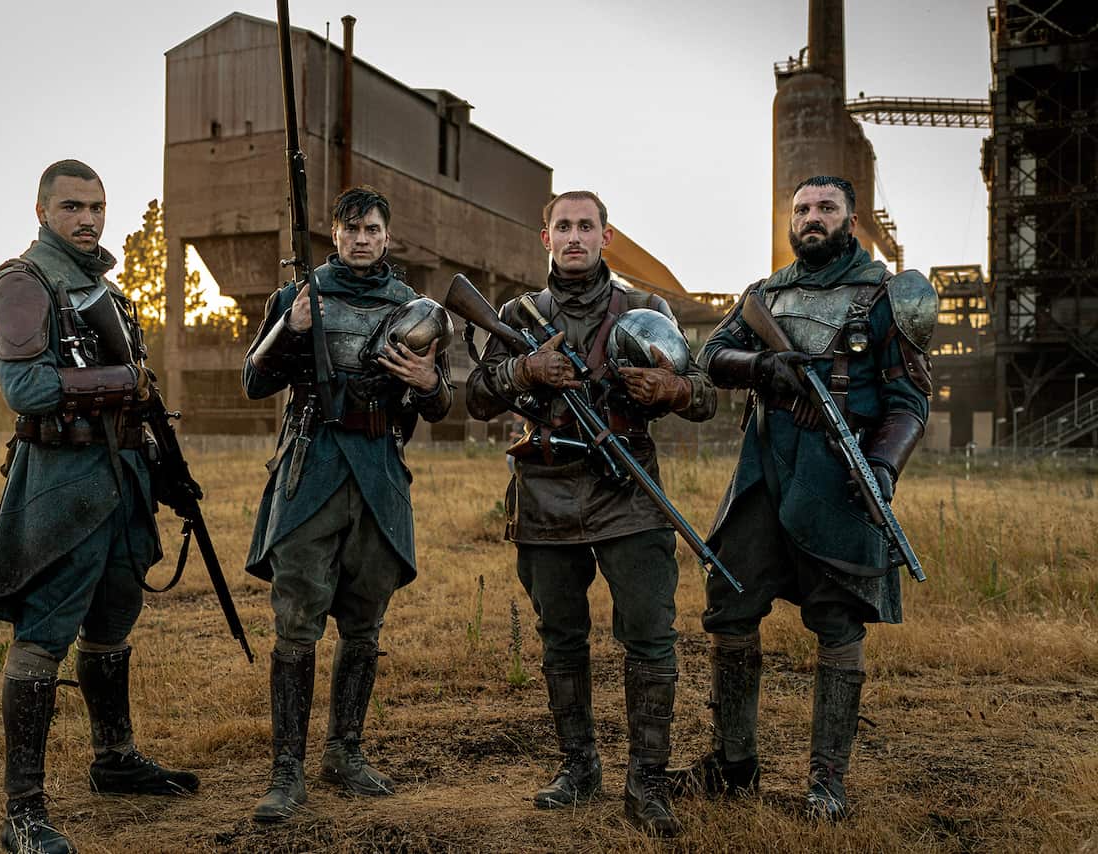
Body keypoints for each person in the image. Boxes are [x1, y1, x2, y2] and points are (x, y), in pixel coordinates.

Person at [675, 175, 935, 821]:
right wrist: (764, 368)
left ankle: (827, 784)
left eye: (826, 208)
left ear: (852, 220)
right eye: (802, 210)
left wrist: (882, 466)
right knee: (730, 609)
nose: (812, 218)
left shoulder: (884, 295)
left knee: (838, 622)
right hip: (763, 472)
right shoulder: (765, 294)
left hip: (840, 477)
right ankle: (733, 768)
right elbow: (711, 355)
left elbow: (908, 401)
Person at [465, 190, 717, 836]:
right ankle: (579, 770)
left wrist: (675, 388)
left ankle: (647, 784)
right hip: (544, 501)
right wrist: (525, 369)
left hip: (629, 496)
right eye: (563, 226)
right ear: (543, 237)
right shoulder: (517, 315)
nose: (574, 236)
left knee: (652, 642)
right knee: (561, 641)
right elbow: (474, 398)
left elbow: (708, 396)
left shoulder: (648, 310)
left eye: (587, 225)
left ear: (607, 238)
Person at [0, 160, 197, 854]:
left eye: (97, 206)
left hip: (122, 478)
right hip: (62, 486)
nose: (89, 218)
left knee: (112, 622)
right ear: (42, 211)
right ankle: (24, 812)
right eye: (73, 206)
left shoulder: (107, 290)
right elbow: (29, 391)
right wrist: (122, 379)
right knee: (44, 637)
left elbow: (138, 393)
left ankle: (114, 759)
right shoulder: (22, 282)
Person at [242, 185, 453, 823]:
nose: (362, 238)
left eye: (373, 229)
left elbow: (439, 408)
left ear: (388, 236)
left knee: (365, 621)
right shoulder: (299, 297)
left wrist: (429, 381)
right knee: (297, 619)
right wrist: (291, 328)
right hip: (312, 472)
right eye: (351, 228)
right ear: (333, 234)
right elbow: (254, 379)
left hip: (379, 473)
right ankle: (287, 771)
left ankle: (346, 752)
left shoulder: (410, 307)